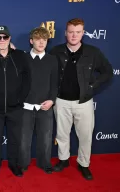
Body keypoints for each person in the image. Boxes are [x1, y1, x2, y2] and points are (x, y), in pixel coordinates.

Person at [50, 18, 113, 180]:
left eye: (77, 32)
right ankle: (63, 160)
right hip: (61, 101)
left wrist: (92, 87)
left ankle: (83, 164)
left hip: (83, 102)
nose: (74, 35)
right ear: (65, 33)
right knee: (62, 134)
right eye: (71, 32)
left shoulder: (93, 52)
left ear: (83, 33)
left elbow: (107, 71)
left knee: (85, 135)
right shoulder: (55, 51)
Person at [0, 25, 30, 177]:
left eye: (5, 37)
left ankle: (13, 164)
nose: (2, 40)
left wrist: (20, 99)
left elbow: (27, 80)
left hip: (15, 108)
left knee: (14, 139)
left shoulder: (20, 56)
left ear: (9, 39)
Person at [18, 27, 58, 174]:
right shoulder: (23, 58)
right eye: (38, 39)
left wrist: (52, 100)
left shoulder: (52, 60)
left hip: (45, 106)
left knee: (46, 138)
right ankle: (23, 163)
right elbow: (19, 82)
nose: (41, 42)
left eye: (44, 39)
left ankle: (45, 163)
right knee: (24, 139)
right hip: (26, 107)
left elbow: (54, 84)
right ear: (31, 41)